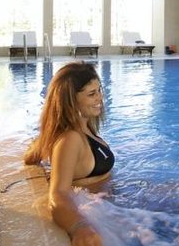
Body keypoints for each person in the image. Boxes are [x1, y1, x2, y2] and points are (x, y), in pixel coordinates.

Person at [24, 61, 113, 246]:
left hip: (112, 206)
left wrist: (39, 147)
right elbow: (58, 194)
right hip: (98, 212)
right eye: (91, 94)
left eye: (99, 90)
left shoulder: (85, 126)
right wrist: (80, 227)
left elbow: (34, 153)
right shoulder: (71, 139)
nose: (100, 97)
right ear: (71, 100)